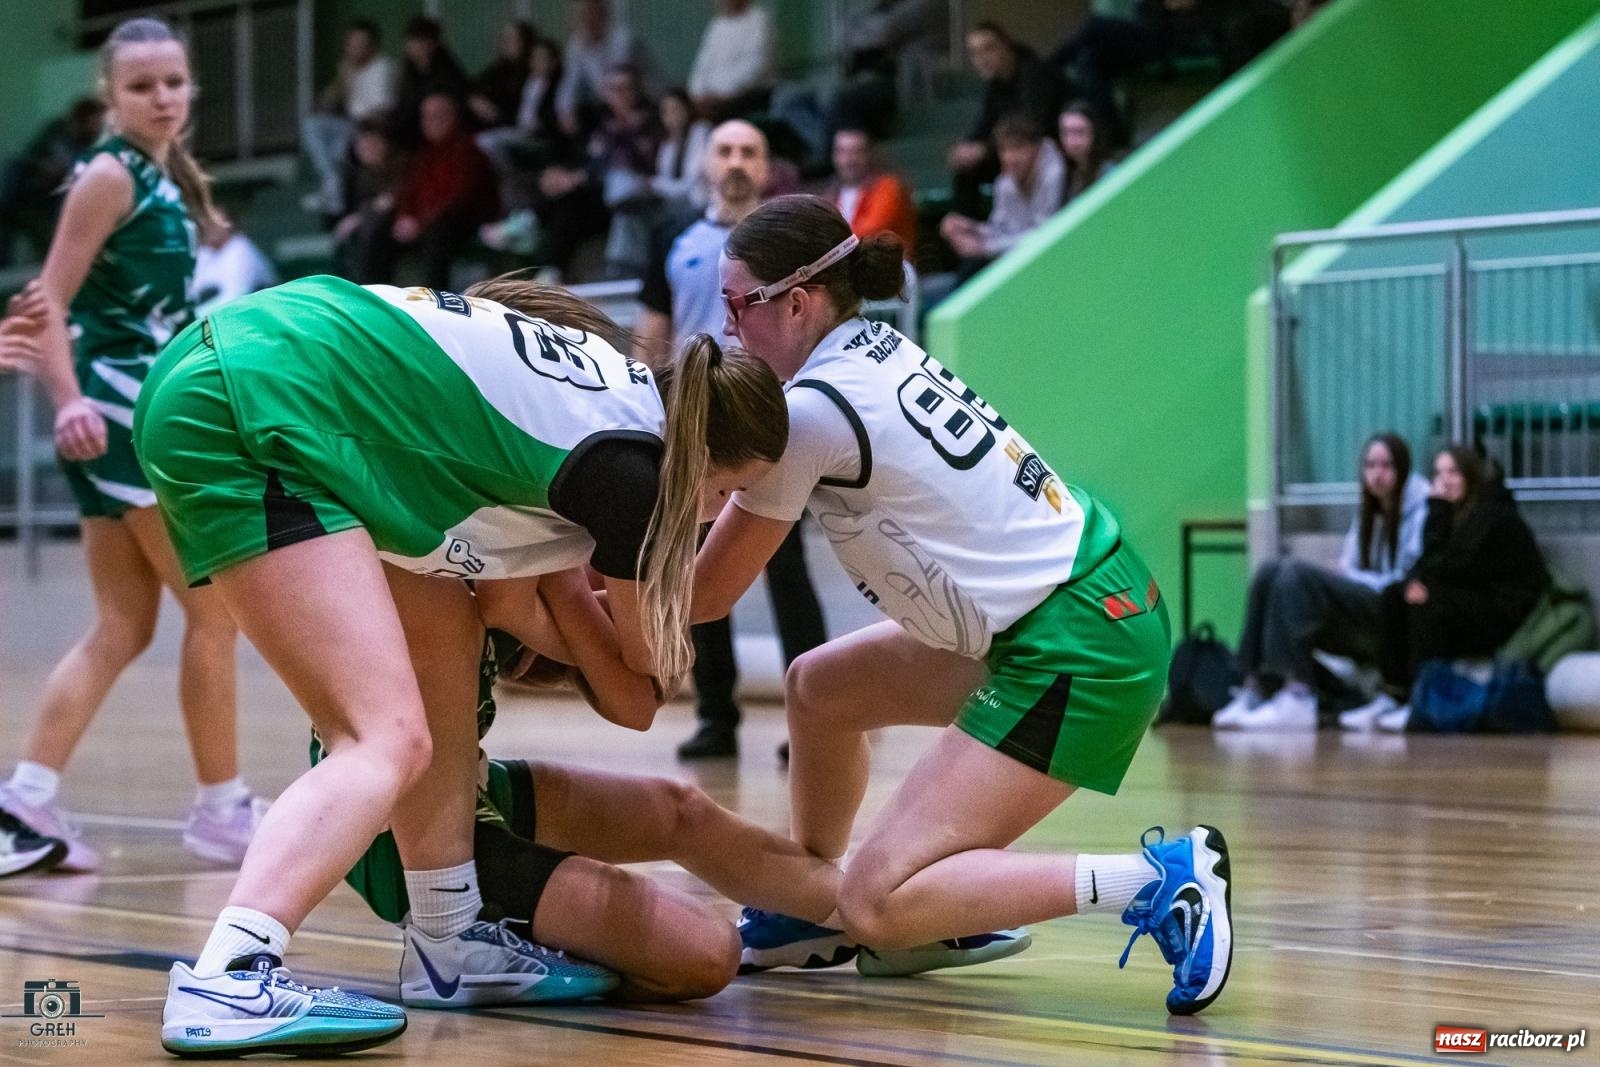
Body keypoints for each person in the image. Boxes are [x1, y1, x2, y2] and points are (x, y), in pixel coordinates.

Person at [132, 269, 789, 1054]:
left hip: (241, 364)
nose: (715, 517)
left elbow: (533, 621)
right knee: (386, 738)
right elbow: (642, 679)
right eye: (723, 495)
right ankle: (231, 973)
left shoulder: (562, 419)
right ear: (706, 459)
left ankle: (449, 939)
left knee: (408, 715)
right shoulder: (626, 472)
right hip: (255, 391)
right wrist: (651, 608)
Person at [696, 194, 1233, 1013]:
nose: (731, 325)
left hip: (1079, 640)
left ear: (796, 302)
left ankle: (1158, 881)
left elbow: (706, 593)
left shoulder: (810, 413)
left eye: (738, 304)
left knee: (876, 903)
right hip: (1075, 597)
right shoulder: (872, 345)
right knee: (818, 688)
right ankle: (810, 909)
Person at [0, 18, 263, 874]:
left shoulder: (156, 176)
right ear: (109, 96)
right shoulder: (110, 175)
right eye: (143, 85)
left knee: (121, 623)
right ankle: (222, 809)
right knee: (213, 613)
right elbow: (48, 298)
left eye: (175, 82)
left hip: (125, 414)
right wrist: (67, 398)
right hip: (118, 417)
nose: (163, 97)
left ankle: (25, 800)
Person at [637, 122, 828, 760]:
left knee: (788, 575)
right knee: (700, 572)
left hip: (772, 422)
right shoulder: (671, 235)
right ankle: (717, 718)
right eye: (725, 151)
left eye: (750, 151)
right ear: (705, 162)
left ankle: (813, 719)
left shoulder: (784, 246)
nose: (737, 162)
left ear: (769, 166)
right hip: (695, 427)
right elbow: (653, 331)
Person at [1214, 433, 1429, 731]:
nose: (1377, 474)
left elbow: (1403, 580)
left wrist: (1349, 577)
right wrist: (1346, 575)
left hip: (1388, 615)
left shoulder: (1422, 508)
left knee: (1298, 576)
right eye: (1370, 465)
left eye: (1386, 465)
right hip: (1361, 604)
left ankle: (1298, 693)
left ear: (1403, 468)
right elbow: (1350, 563)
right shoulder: (1371, 509)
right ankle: (1257, 686)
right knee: (1271, 571)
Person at [1346, 446, 1549, 732]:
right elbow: (1427, 566)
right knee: (1395, 594)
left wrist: (1437, 512)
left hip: (1502, 611)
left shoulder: (1493, 516)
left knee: (1426, 603)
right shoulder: (1455, 514)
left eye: (1453, 472)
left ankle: (1421, 697)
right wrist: (1411, 584)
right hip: (1467, 599)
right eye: (1439, 473)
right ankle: (1393, 694)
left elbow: (1454, 568)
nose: (1444, 481)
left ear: (1470, 475)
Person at [947, 22, 1070, 219]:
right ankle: (967, 234)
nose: (981, 58)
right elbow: (985, 125)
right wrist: (967, 148)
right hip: (1011, 151)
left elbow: (1033, 128)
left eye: (988, 48)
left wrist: (984, 150)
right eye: (974, 52)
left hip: (1050, 155)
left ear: (1006, 45)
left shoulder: (1036, 75)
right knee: (966, 168)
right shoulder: (996, 85)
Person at [377, 92, 500, 285]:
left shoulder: (467, 151)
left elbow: (460, 198)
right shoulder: (424, 154)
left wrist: (421, 223)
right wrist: (405, 216)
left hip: (457, 223)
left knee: (440, 231)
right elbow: (409, 191)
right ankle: (373, 297)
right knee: (381, 229)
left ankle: (435, 300)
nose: (429, 122)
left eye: (437, 116)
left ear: (452, 117)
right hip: (422, 224)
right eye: (425, 117)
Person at [940, 115, 1065, 278]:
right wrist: (971, 228)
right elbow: (1002, 229)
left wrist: (985, 248)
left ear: (1037, 149)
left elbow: (1045, 236)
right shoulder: (1005, 181)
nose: (1010, 158)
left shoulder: (1055, 175)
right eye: (1004, 149)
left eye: (1018, 148)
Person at [299, 20, 396, 216]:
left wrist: (359, 123)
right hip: (350, 124)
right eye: (351, 44)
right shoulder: (349, 69)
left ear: (372, 46)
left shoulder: (383, 67)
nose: (354, 49)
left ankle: (333, 190)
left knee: (340, 145)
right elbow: (325, 104)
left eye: (360, 43)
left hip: (375, 127)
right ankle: (331, 179)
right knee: (312, 124)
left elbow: (381, 110)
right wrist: (343, 80)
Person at [0, 97, 106, 268]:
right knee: (13, 167)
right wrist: (42, 166)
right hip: (30, 190)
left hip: (56, 199)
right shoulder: (57, 129)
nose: (96, 126)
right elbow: (32, 155)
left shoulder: (94, 144)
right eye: (93, 121)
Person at [555, 0, 652, 139]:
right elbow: (569, 84)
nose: (583, 20)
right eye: (578, 15)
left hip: (643, 100)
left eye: (587, 14)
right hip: (611, 102)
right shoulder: (576, 44)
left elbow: (620, 80)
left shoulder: (623, 39)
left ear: (602, 14)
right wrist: (565, 111)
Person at [331, 118, 407, 284]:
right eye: (362, 144)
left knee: (373, 227)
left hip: (401, 228)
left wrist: (360, 216)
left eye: (372, 143)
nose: (366, 148)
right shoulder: (358, 174)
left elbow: (391, 200)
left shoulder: (400, 165)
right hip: (371, 232)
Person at [829, 127, 917, 256]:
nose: (849, 160)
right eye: (842, 152)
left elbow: (872, 231)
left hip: (894, 266)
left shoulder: (889, 187)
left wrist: (826, 241)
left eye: (857, 152)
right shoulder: (831, 194)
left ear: (869, 154)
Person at [687, 0, 775, 124]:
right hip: (710, 100)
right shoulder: (717, 24)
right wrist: (696, 94)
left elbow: (754, 67)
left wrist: (722, 95)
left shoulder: (759, 20)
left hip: (746, 98)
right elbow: (702, 65)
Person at [393, 16, 470, 147]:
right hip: (411, 125)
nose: (412, 46)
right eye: (410, 41)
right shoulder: (409, 69)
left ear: (432, 43)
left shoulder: (447, 70)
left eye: (418, 41)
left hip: (434, 126)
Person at [193, 210, 278, 317]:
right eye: (204, 224)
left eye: (212, 223)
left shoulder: (241, 249)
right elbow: (194, 291)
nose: (208, 228)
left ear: (228, 224)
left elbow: (234, 298)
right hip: (216, 313)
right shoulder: (205, 252)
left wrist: (193, 317)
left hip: (256, 315)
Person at [468, 20, 538, 131]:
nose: (505, 44)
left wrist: (496, 113)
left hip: (511, 126)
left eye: (511, 39)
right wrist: (475, 101)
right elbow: (473, 88)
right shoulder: (497, 68)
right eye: (503, 39)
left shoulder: (532, 72)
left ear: (525, 42)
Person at [652, 89, 711, 213]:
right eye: (666, 112)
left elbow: (691, 181)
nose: (671, 116)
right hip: (674, 203)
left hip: (700, 203)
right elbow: (665, 178)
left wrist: (653, 185)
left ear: (687, 109)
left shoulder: (701, 130)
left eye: (675, 109)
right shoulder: (667, 142)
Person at [1057, 100, 1116, 205]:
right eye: (1066, 132)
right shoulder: (1070, 172)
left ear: (1095, 133)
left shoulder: (1109, 174)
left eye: (1079, 132)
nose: (1072, 140)